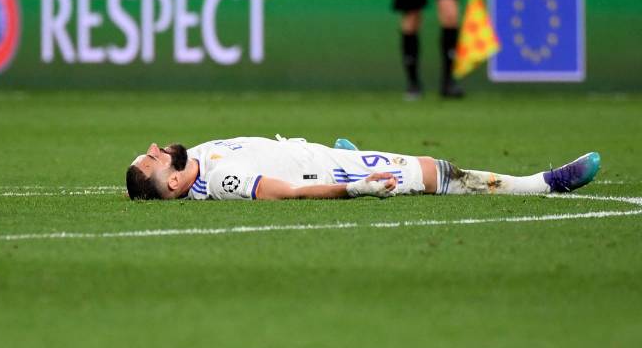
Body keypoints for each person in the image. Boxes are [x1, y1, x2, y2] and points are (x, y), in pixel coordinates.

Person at [125, 136, 600, 201]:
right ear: (171, 181)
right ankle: (541, 185)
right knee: (438, 173)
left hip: (319, 153)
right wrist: (355, 189)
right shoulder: (221, 181)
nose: (154, 147)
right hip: (330, 170)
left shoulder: (194, 156)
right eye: (151, 159)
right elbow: (288, 193)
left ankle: (354, 152)